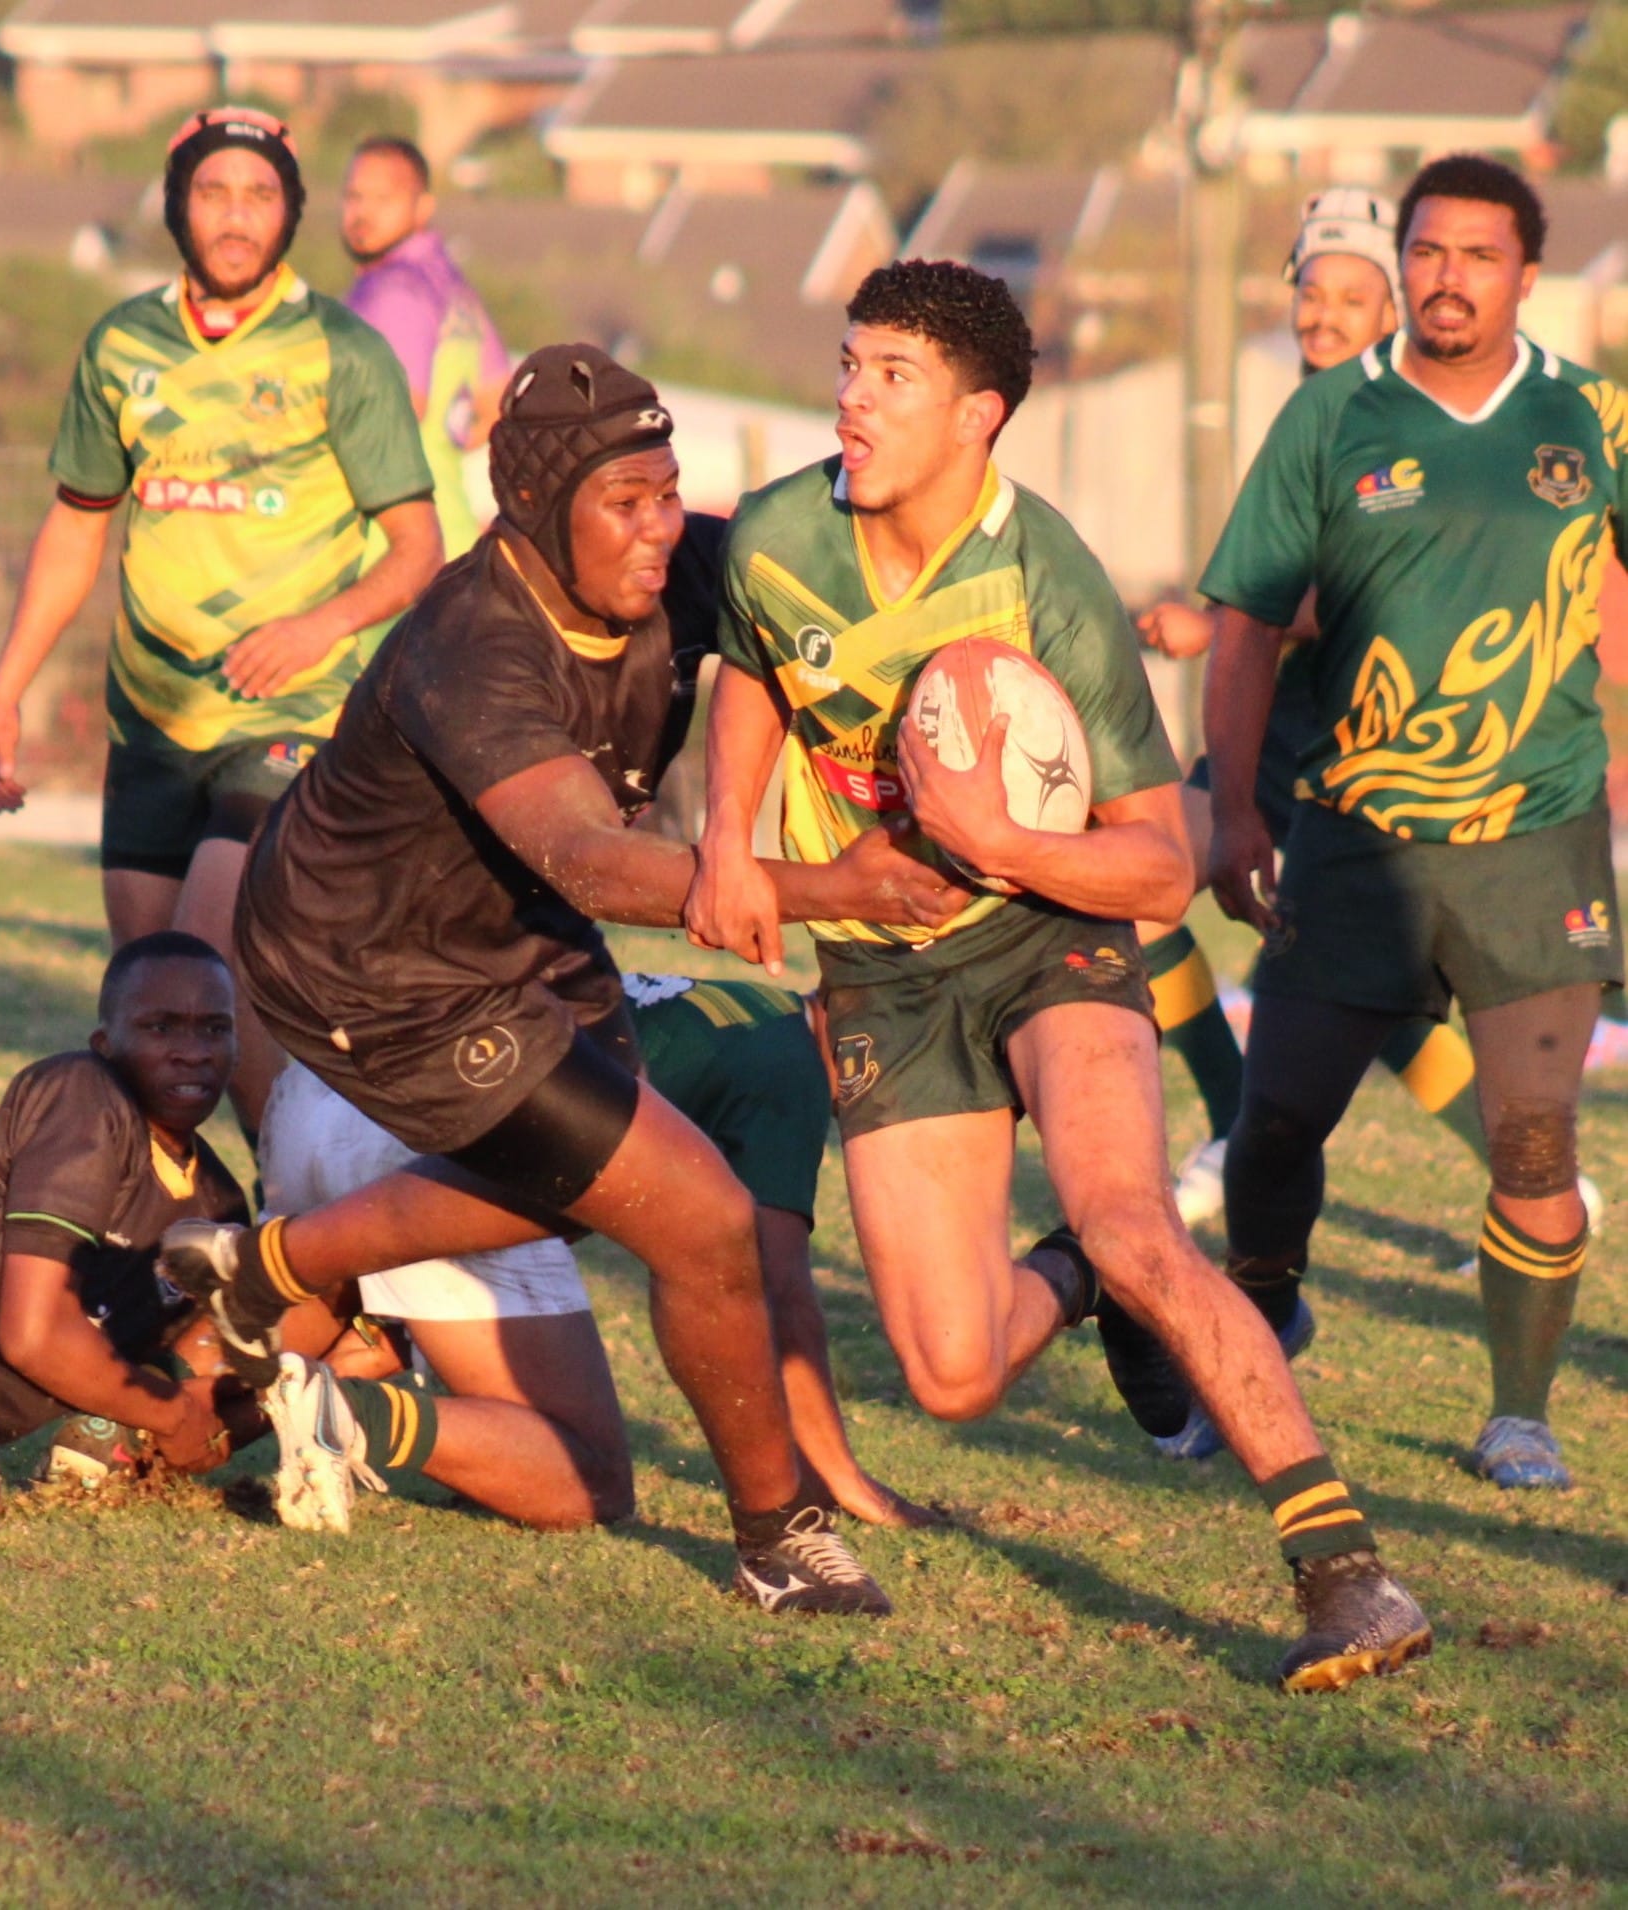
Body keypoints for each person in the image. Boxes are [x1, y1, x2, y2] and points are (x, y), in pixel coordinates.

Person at [685, 258, 1431, 1691]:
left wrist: (1002, 836)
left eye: (889, 377)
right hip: (881, 976)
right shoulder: (779, 531)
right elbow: (751, 669)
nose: (849, 399)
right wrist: (727, 829)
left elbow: (1163, 863)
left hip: (1049, 932)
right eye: (846, 365)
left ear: (980, 415)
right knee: (952, 1373)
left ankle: (1348, 1574)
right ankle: (1084, 1277)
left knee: (1143, 1222)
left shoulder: (1045, 576)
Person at [158, 343, 971, 1614]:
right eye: (624, 503)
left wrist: (931, 451)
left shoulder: (676, 565)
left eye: (668, 492)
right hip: (369, 973)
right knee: (694, 1214)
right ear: (537, 513)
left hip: (509, 936)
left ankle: (271, 1269)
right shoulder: (473, 648)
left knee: (599, 1183)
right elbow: (594, 859)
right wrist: (832, 886)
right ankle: (776, 1535)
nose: (660, 532)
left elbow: (817, 529)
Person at [1200, 155, 1625, 1492]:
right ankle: (1265, 1321)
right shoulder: (1332, 415)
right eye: (1428, 253)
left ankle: (1516, 1411)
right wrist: (1227, 816)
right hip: (1353, 838)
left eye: (1477, 256)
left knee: (1532, 1139)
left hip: (1535, 840)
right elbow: (1245, 625)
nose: (1448, 278)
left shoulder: (1592, 417)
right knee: (1272, 1128)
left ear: (1525, 274)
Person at [0, 107, 443, 1136]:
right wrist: (5, 690)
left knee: (198, 973)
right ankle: (186, 1238)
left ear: (291, 213)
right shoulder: (123, 346)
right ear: (178, 205)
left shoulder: (339, 350)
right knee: (149, 1013)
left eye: (261, 195)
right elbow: (75, 527)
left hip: (290, 716)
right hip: (151, 719)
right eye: (215, 193)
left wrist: (322, 626)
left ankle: (312, 1225)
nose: (237, 217)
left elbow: (418, 550)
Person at [245, 972, 935, 1531]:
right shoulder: (793, 1069)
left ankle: (153, 1438)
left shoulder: (748, 1007)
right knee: (590, 1475)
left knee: (257, 1351)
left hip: (319, 1096)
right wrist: (841, 1476)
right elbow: (776, 1289)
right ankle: (353, 1416)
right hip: (436, 1153)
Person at [1137, 188, 1501, 1234]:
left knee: (1354, 986)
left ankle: (1531, 1176)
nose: (1324, 313)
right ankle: (1227, 1119)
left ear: (1393, 305)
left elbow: (1381, 577)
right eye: (1310, 290)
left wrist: (1219, 624)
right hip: (1274, 733)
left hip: (1365, 742)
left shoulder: (1402, 410)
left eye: (1352, 294)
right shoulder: (1311, 406)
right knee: (1146, 879)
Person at [0, 933, 249, 1523]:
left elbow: (206, 1362)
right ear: (105, 1044)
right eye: (161, 1028)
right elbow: (33, 1336)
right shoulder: (85, 1095)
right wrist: (174, 1416)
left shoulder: (219, 1207)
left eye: (213, 1029)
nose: (192, 1051)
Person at [342, 135, 511, 560]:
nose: (363, 213)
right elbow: (498, 406)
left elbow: (396, 408)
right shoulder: (451, 287)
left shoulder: (393, 288)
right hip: (450, 526)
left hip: (391, 549)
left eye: (384, 199)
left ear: (423, 208)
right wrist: (439, 448)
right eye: (354, 197)